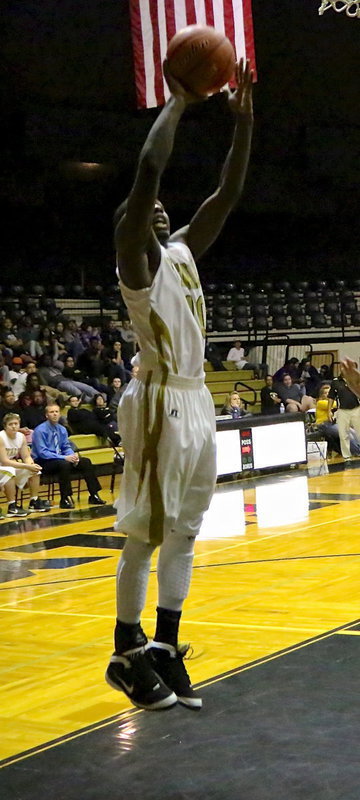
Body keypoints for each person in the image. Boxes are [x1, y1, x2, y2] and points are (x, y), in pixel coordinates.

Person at [106, 58, 253, 711]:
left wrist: (243, 127)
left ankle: (164, 644)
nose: (160, 212)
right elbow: (147, 173)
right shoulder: (137, 264)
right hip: (160, 397)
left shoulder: (187, 250)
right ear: (130, 230)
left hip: (196, 399)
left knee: (186, 529)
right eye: (147, 213)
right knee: (146, 529)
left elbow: (226, 192)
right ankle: (125, 650)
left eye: (166, 211)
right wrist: (179, 101)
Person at [31, 403, 106, 508]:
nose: (54, 414)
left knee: (85, 462)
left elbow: (65, 446)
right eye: (51, 412)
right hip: (43, 461)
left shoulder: (62, 429)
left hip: (61, 459)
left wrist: (72, 456)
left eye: (56, 412)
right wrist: (64, 457)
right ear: (46, 415)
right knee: (64, 464)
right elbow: (43, 452)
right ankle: (65, 497)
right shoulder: (39, 430)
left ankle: (94, 494)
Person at [0, 412, 49, 515]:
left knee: (35, 471)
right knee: (10, 471)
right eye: (10, 424)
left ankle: (34, 501)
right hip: (3, 466)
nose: (14, 426)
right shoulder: (1, 437)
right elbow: (4, 461)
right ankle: (12, 506)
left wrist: (31, 464)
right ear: (5, 426)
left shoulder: (21, 437)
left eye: (16, 424)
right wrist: (26, 465)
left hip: (10, 465)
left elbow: (26, 456)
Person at [327, 365, 360, 460]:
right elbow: (331, 396)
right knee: (343, 434)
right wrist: (329, 410)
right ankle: (346, 456)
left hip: (356, 408)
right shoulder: (336, 381)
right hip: (342, 410)